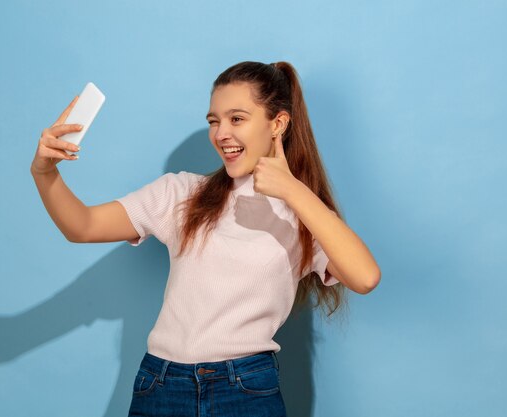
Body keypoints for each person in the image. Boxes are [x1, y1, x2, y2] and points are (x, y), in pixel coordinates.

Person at [30, 61, 381, 417]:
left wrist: (292, 190)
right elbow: (82, 226)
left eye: (237, 119)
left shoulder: (304, 215)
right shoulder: (182, 193)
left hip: (245, 390)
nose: (221, 133)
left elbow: (365, 277)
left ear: (278, 124)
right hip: (161, 387)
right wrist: (44, 172)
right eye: (214, 121)